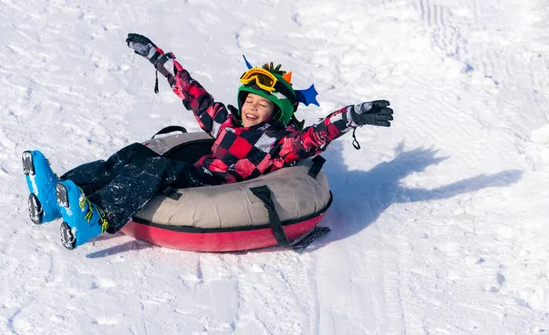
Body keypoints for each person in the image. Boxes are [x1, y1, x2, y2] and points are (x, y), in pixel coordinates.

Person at [23, 33, 394, 250]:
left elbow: (317, 135)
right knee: (136, 154)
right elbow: (193, 94)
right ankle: (59, 192)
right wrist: (158, 58)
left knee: (158, 166)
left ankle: (97, 217)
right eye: (249, 99)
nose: (251, 108)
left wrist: (353, 116)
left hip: (217, 185)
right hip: (196, 171)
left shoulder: (281, 142)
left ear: (276, 112)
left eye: (262, 104)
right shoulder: (226, 124)